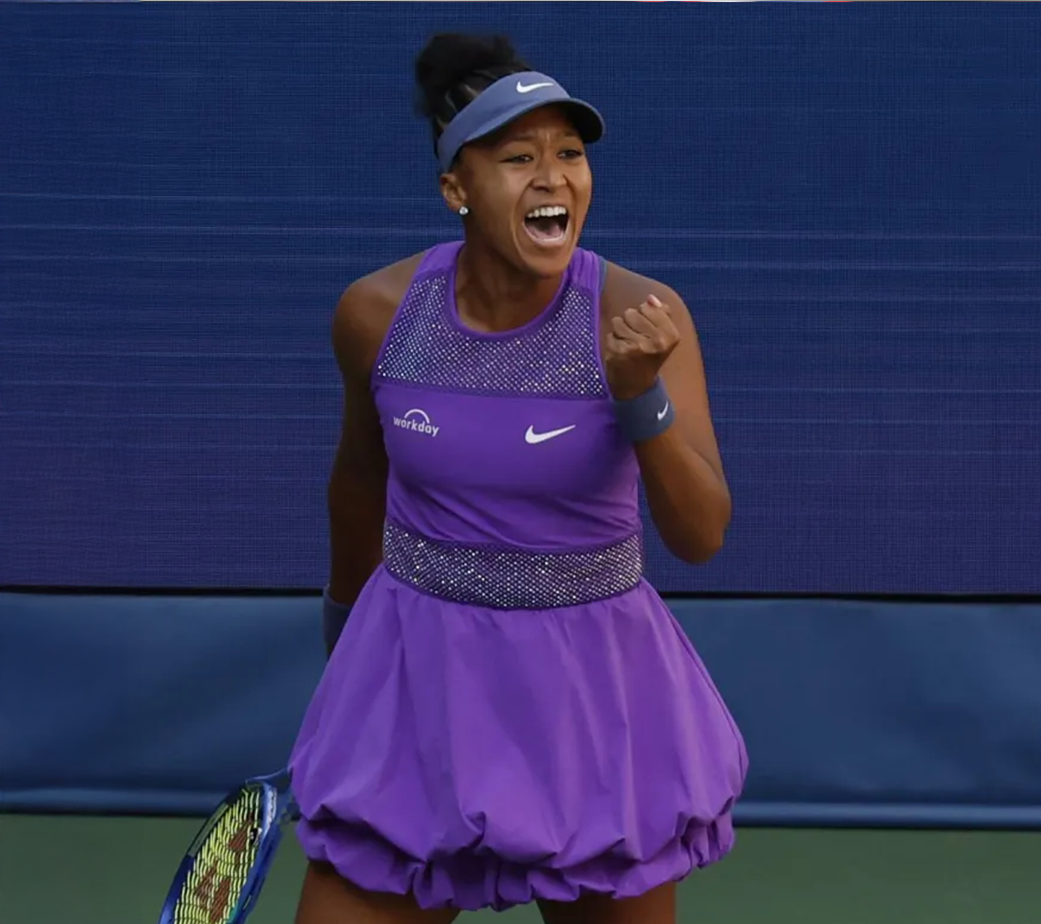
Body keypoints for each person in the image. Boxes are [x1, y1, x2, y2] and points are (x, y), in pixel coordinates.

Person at [288, 32, 747, 924]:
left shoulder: (638, 315)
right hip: (418, 693)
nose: (553, 178)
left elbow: (701, 535)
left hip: (594, 709)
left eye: (569, 154)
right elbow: (357, 484)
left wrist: (639, 393)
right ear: (455, 188)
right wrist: (345, 658)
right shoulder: (377, 314)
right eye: (517, 158)